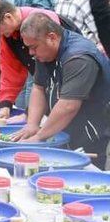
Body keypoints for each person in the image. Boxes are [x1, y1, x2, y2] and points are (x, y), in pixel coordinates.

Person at [12, 14, 110, 167]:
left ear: (52, 37)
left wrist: (39, 137)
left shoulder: (79, 57)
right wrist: (32, 124)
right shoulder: (46, 51)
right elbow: (39, 87)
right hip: (63, 127)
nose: (30, 53)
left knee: (82, 175)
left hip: (88, 131)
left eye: (33, 47)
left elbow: (68, 105)